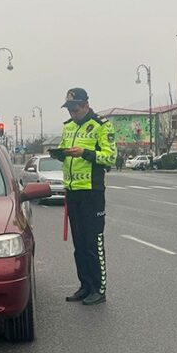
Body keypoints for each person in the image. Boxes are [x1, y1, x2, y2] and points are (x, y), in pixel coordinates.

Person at [50, 87, 116, 306]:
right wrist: (59, 154)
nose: (72, 113)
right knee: (79, 243)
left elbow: (110, 158)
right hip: (72, 190)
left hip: (92, 192)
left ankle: (99, 289)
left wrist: (85, 153)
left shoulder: (101, 126)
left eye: (75, 109)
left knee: (93, 242)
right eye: (69, 109)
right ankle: (85, 285)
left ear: (86, 105)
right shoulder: (68, 127)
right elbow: (64, 151)